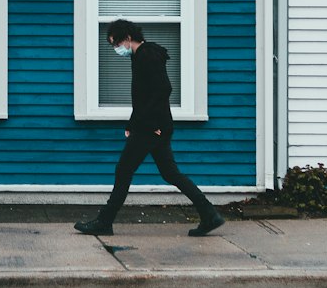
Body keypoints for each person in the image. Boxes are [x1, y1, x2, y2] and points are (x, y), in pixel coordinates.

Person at [75, 18, 225, 238]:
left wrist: (151, 125)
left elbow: (163, 89)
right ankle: (209, 214)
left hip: (152, 127)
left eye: (116, 44)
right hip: (154, 125)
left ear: (127, 38)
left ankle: (104, 222)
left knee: (124, 169)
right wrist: (132, 123)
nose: (116, 49)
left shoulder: (146, 55)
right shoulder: (141, 55)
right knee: (170, 173)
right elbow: (143, 97)